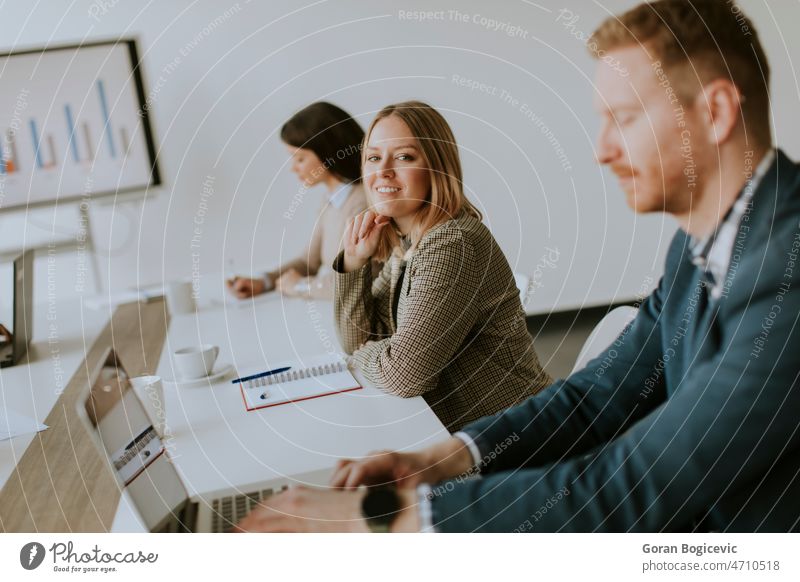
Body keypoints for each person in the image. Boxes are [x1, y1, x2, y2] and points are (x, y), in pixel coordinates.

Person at [234, 1, 800, 533]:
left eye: (624, 119)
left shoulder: (786, 272)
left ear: (717, 112)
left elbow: (644, 481)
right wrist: (438, 460)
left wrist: (386, 519)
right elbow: (596, 397)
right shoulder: (694, 249)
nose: (601, 149)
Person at [333, 101, 551, 432]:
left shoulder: (452, 243)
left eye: (404, 157)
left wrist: (362, 356)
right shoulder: (408, 239)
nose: (383, 172)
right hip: (464, 435)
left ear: (437, 167)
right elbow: (358, 337)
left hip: (517, 442)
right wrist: (353, 261)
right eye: (374, 157)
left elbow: (403, 375)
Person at [227, 102, 367, 300]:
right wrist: (264, 281)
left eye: (300, 159)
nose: (293, 168)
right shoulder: (331, 200)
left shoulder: (362, 204)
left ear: (328, 153)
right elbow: (307, 262)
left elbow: (354, 285)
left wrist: (300, 286)